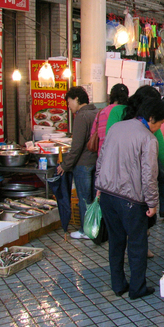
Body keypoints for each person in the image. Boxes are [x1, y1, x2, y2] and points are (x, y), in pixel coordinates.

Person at [96, 98, 164, 300]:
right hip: (131, 200)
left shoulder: (116, 128)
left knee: (116, 242)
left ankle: (118, 284)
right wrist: (153, 203)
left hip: (108, 195)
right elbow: (149, 175)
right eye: (160, 123)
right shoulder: (148, 139)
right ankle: (137, 288)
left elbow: (101, 158)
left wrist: (98, 187)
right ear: (151, 118)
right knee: (137, 245)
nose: (159, 127)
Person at [108, 85, 164, 219]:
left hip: (123, 181)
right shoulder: (120, 112)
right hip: (121, 177)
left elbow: (160, 145)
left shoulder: (150, 119)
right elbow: (108, 145)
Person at [57, 87, 99, 240]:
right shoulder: (96, 112)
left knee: (84, 198)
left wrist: (65, 165)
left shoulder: (82, 116)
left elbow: (76, 147)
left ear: (76, 99)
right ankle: (96, 228)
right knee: (95, 198)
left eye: (69, 102)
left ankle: (85, 230)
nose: (69, 106)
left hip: (83, 164)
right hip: (96, 160)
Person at [90, 83, 129, 153]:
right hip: (122, 155)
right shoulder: (129, 113)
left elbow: (93, 134)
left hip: (103, 155)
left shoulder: (101, 113)